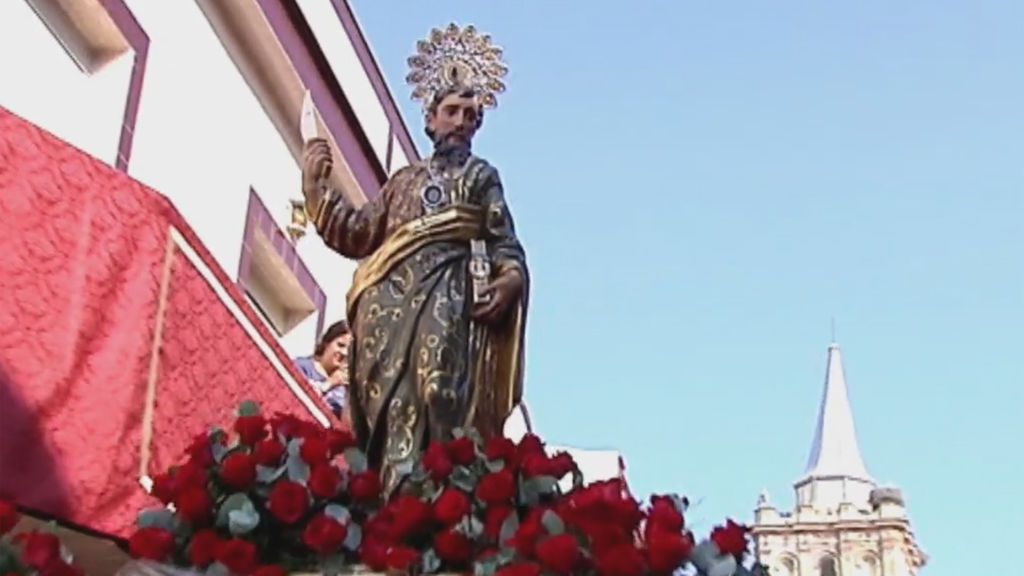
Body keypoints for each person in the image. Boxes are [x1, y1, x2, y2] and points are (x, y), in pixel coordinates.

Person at [300, 23, 528, 494]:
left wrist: (508, 280)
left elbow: (505, 241)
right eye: (452, 111)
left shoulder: (483, 177)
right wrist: (316, 187)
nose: (462, 121)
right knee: (392, 405)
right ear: (430, 119)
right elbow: (356, 231)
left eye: (471, 114)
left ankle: (438, 497)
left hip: (450, 298)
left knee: (440, 391)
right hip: (386, 307)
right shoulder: (402, 182)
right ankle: (392, 501)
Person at [293, 320, 351, 418]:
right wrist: (330, 383)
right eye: (340, 345)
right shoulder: (302, 366)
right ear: (326, 343)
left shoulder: (344, 389)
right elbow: (295, 399)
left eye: (349, 350)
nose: (344, 353)